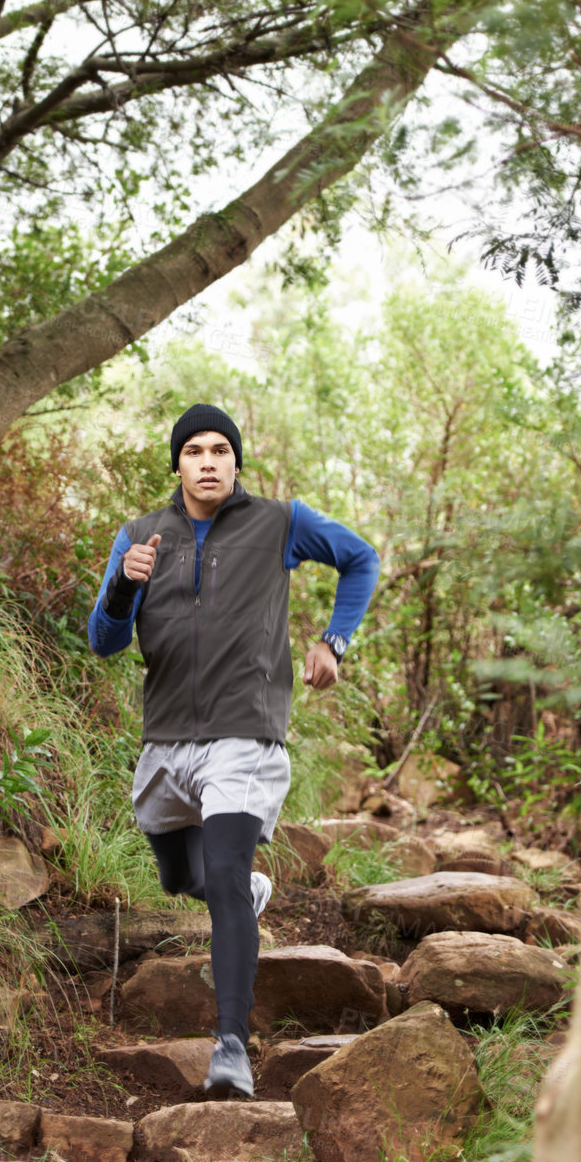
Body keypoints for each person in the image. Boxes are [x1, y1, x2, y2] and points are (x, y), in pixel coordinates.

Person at [87, 402, 380, 1098]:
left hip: (244, 731)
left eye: (221, 449)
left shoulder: (279, 522)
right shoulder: (139, 536)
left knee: (220, 872)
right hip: (165, 738)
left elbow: (360, 559)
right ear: (178, 464)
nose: (209, 460)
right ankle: (244, 893)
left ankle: (230, 1048)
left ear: (236, 461)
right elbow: (102, 640)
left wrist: (332, 641)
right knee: (177, 875)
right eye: (194, 451)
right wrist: (125, 583)